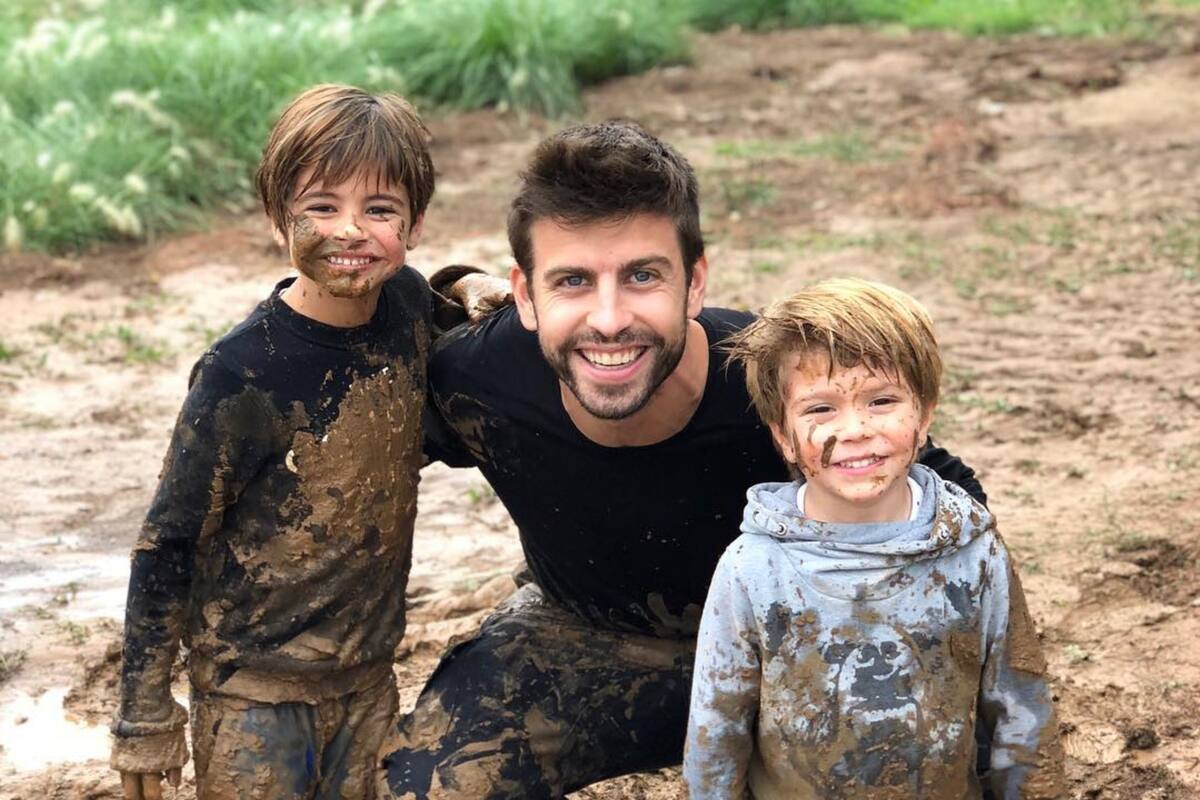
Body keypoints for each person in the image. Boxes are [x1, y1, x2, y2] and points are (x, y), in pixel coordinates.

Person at [381, 122, 988, 798]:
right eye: (573, 281)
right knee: (424, 784)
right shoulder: (476, 377)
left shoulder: (774, 381)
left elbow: (949, 498)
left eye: (643, 276)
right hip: (577, 633)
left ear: (694, 284)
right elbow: (336, 436)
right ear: (525, 294)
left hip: (781, 642)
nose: (609, 320)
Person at [110, 84, 436, 800]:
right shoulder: (241, 373)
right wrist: (143, 716)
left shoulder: (410, 307)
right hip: (252, 691)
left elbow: (447, 304)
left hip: (368, 678)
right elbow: (168, 543)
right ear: (275, 218)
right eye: (321, 207)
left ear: (414, 223)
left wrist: (472, 287)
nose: (351, 230)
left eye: (379, 210)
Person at [683, 278, 1064, 799]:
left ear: (924, 414)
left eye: (882, 400)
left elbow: (1020, 710)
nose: (857, 429)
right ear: (781, 434)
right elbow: (716, 729)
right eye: (820, 409)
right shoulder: (752, 568)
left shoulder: (976, 553)